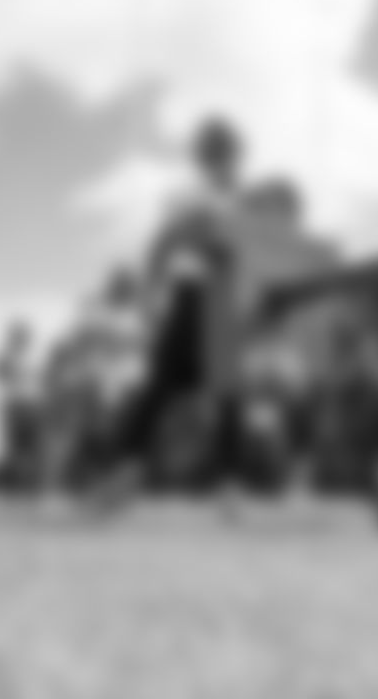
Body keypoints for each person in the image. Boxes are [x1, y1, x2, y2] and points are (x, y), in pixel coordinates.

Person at [115, 116, 256, 501]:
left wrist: (240, 296)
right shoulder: (195, 197)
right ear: (212, 159)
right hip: (195, 296)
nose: (235, 165)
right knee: (162, 387)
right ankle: (126, 470)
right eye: (228, 156)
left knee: (228, 396)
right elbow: (164, 243)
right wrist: (149, 293)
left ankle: (229, 484)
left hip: (218, 298)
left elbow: (233, 258)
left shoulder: (231, 203)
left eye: (235, 156)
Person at [0, 320, 44, 492]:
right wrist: (8, 367)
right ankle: (13, 486)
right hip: (15, 405)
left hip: (32, 405)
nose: (22, 340)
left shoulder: (34, 358)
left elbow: (41, 380)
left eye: (24, 337)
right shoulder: (7, 356)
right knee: (15, 447)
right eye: (18, 336)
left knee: (32, 447)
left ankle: (29, 485)